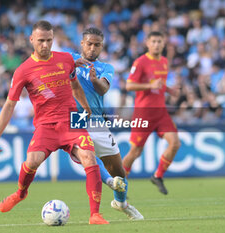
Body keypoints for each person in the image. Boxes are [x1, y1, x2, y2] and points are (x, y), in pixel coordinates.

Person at [0, 20, 109, 225]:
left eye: (49, 40)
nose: (45, 45)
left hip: (71, 120)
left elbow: (75, 86)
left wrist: (86, 108)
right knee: (32, 162)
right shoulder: (23, 71)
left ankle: (95, 215)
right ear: (32, 39)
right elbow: (9, 105)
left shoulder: (65, 59)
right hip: (45, 125)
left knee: (89, 157)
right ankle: (20, 193)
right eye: (41, 40)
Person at [71, 27, 143, 219]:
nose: (93, 48)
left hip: (96, 121)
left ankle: (121, 202)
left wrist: (95, 80)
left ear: (102, 46)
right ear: (82, 44)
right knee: (89, 157)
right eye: (89, 44)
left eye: (97, 45)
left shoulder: (106, 68)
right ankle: (109, 184)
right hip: (75, 118)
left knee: (119, 171)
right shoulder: (69, 59)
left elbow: (103, 89)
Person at [122, 31, 181, 195]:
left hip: (160, 112)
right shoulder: (140, 62)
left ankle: (158, 176)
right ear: (147, 43)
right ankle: (119, 181)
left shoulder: (164, 61)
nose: (156, 44)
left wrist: (169, 90)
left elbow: (159, 84)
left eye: (159, 41)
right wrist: (149, 86)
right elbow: (129, 86)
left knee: (175, 143)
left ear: (164, 44)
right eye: (153, 41)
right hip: (144, 113)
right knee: (135, 152)